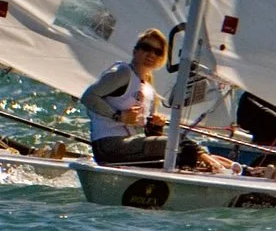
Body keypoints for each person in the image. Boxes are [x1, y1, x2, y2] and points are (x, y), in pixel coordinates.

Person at [80, 28, 233, 172]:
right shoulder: (122, 72)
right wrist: (118, 116)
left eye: (158, 52)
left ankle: (237, 169)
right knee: (176, 144)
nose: (151, 54)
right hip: (109, 146)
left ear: (162, 58)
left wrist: (155, 127)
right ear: (135, 51)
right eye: (146, 48)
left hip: (130, 147)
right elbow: (88, 97)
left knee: (185, 153)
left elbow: (148, 134)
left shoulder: (149, 89)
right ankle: (216, 167)